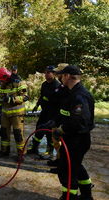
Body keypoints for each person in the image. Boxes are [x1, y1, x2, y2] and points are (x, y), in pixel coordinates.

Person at [42, 65, 95, 200]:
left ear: (67, 76)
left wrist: (61, 129)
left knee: (66, 169)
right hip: (71, 139)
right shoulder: (70, 93)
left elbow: (79, 121)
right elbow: (64, 114)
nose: (60, 78)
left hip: (77, 140)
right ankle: (87, 195)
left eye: (62, 75)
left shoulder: (80, 96)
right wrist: (53, 122)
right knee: (76, 166)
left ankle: (69, 196)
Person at [0, 67, 28, 161]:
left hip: (17, 114)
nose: (0, 82)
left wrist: (12, 99)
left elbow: (25, 97)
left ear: (6, 77)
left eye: (1, 80)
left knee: (18, 134)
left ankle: (21, 154)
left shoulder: (19, 82)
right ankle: (5, 151)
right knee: (4, 133)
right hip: (5, 114)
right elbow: (1, 97)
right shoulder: (3, 85)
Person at [29, 66, 60, 159]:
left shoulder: (57, 85)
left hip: (52, 113)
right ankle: (34, 147)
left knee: (49, 132)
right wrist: (37, 105)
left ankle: (50, 151)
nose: (46, 75)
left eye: (48, 72)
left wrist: (47, 99)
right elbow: (42, 96)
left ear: (53, 74)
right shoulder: (44, 84)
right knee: (38, 128)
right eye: (45, 72)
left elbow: (57, 101)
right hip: (44, 111)